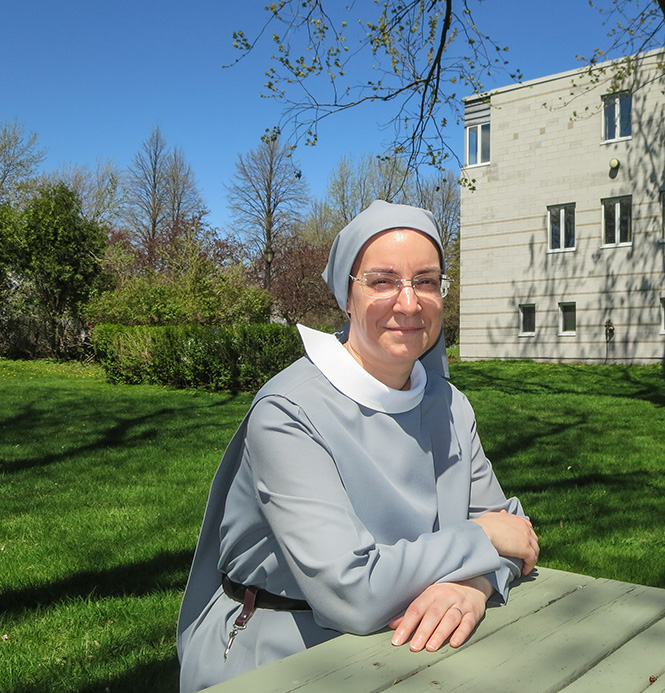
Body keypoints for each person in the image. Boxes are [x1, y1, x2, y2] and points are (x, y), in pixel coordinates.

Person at [176, 200, 539, 692]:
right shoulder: (289, 412)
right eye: (383, 280)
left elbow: (516, 536)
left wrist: (472, 585)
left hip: (413, 652)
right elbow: (351, 592)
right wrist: (481, 540)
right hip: (283, 655)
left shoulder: (450, 405)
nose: (409, 303)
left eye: (426, 281)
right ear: (347, 295)